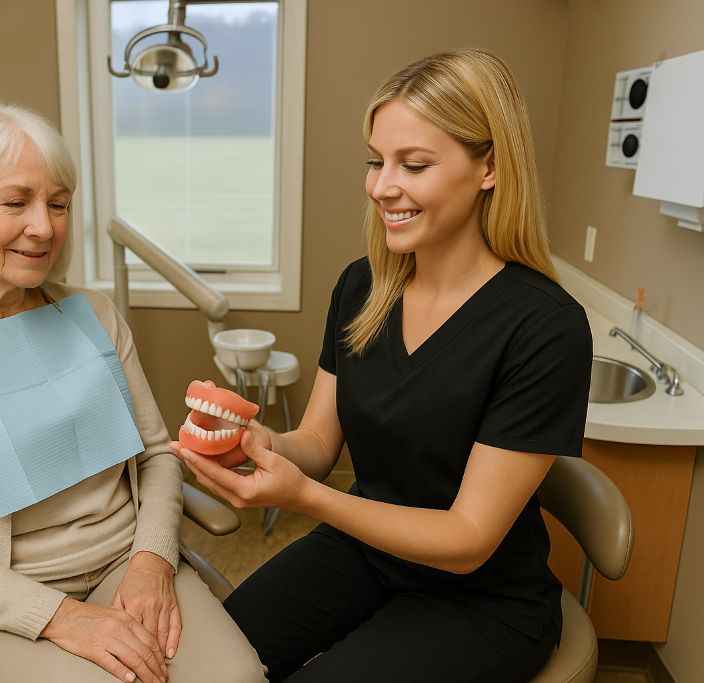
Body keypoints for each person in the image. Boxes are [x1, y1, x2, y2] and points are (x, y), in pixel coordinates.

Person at [172, 49, 593, 682]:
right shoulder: (363, 288)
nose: (380, 186)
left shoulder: (544, 328)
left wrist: (306, 497)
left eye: (413, 164)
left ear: (490, 167)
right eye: (376, 161)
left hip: (480, 598)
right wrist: (263, 447)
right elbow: (316, 439)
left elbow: (468, 538)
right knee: (207, 663)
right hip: (365, 552)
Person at [0, 104, 264, 683]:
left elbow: (155, 456)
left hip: (123, 564)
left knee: (237, 678)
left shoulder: (92, 314)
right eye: (15, 202)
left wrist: (151, 559)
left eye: (58, 203)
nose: (43, 226)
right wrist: (62, 618)